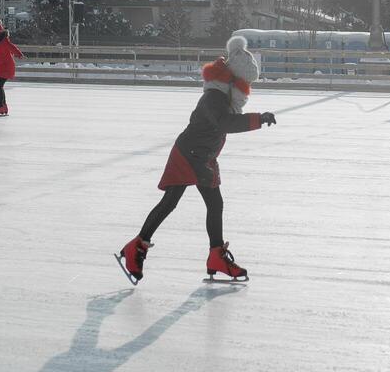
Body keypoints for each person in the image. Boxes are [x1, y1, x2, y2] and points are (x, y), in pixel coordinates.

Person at [116, 35, 276, 284]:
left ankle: (215, 256)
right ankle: (136, 248)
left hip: (203, 156)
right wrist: (258, 118)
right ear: (233, 81)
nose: (246, 91)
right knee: (171, 202)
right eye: (244, 84)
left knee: (214, 204)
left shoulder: (223, 97)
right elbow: (225, 123)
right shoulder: (214, 98)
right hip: (188, 154)